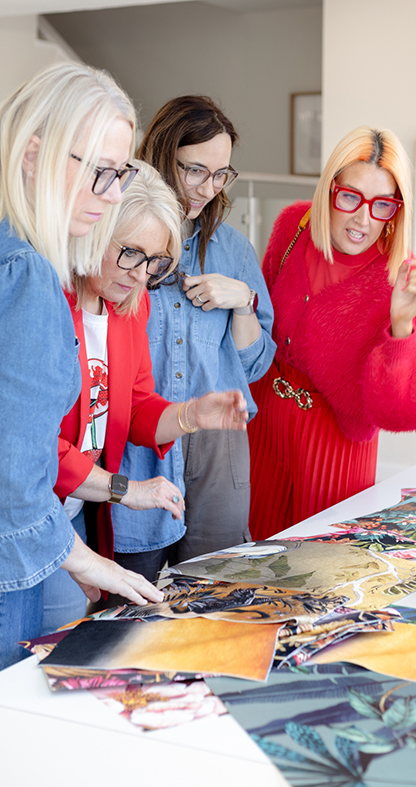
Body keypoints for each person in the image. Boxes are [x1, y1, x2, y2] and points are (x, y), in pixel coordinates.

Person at [0, 62, 165, 787]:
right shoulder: (19, 275)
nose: (111, 198)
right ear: (32, 152)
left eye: (119, 175)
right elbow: (10, 487)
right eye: (95, 172)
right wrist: (92, 564)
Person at [43, 162, 249, 630]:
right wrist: (128, 490)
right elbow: (37, 448)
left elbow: (136, 410)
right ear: (96, 231)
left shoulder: (129, 306)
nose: (141, 275)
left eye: (157, 263)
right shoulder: (50, 298)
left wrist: (190, 414)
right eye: (130, 253)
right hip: (35, 506)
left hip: (73, 510)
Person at [248, 126, 416, 539]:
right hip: (263, 427)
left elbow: (408, 413)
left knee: (319, 572)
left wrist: (402, 326)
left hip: (334, 448)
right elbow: (260, 326)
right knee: (247, 566)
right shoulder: (293, 228)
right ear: (329, 190)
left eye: (382, 205)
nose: (362, 219)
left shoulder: (401, 276)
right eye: (351, 197)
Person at [115, 96, 276, 579]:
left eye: (222, 174)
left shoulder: (233, 248)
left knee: (217, 585)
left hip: (218, 440)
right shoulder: (119, 240)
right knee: (130, 590)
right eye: (195, 171)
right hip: (138, 436)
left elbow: (255, 366)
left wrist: (244, 300)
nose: (210, 188)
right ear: (164, 155)